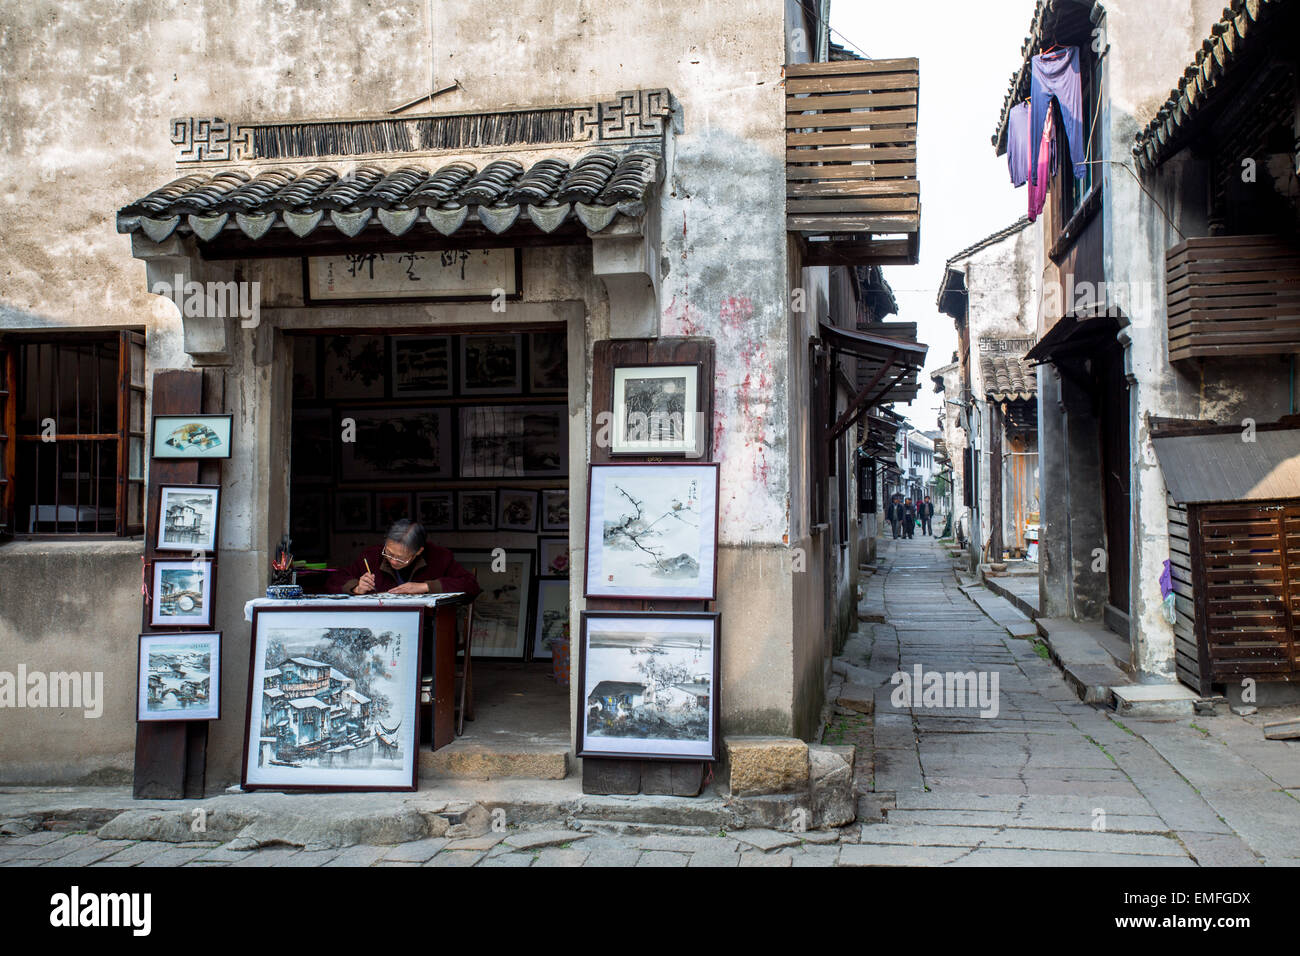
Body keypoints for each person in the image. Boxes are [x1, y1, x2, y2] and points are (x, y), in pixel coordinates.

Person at [327, 519, 482, 598]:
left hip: (428, 631)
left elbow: (471, 585)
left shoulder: (440, 557)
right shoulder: (371, 556)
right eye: (389, 553)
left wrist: (425, 587)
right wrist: (356, 587)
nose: (393, 561)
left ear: (418, 551)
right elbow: (334, 580)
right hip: (378, 628)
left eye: (400, 558)